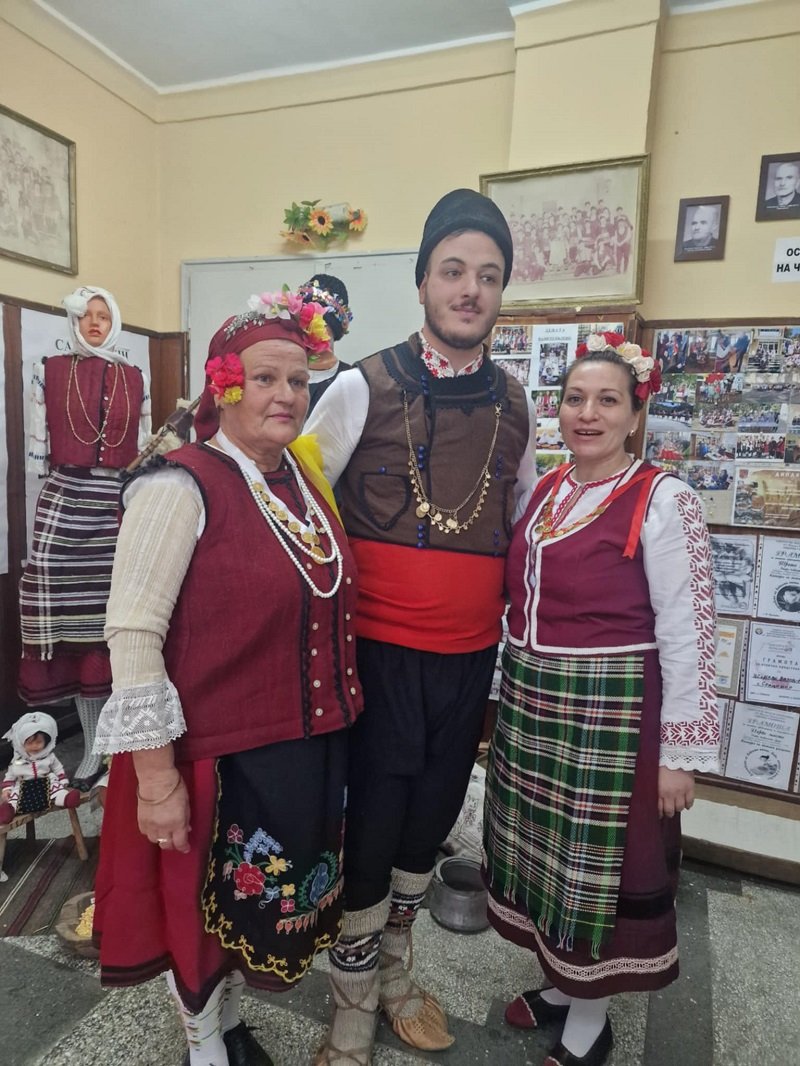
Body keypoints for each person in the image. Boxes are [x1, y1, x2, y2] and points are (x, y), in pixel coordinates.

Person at [90, 290, 363, 1066]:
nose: (287, 395)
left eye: (299, 380)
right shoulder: (178, 485)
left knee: (251, 915)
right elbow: (133, 634)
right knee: (198, 917)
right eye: (265, 378)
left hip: (299, 749)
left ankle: (229, 1019)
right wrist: (155, 782)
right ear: (225, 386)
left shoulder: (299, 481)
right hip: (212, 755)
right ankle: (204, 1043)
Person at [306, 188, 537, 1064]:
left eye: (488, 275)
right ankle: (352, 1002)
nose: (470, 289)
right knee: (369, 830)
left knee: (427, 827)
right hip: (375, 661)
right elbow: (296, 505)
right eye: (453, 270)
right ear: (423, 283)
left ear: (501, 291)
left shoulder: (516, 404)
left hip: (467, 664)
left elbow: (525, 524)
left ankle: (397, 972)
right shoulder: (360, 385)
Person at [483, 332, 720, 1066]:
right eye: (575, 399)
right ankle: (561, 986)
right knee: (548, 859)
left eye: (607, 400)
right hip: (535, 704)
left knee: (596, 870)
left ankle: (590, 1018)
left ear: (635, 414)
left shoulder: (663, 499)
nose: (588, 414)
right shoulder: (548, 489)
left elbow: (689, 632)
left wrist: (679, 755)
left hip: (612, 712)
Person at [18, 285, 150, 792]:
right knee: (75, 635)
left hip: (115, 502)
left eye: (103, 316)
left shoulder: (136, 377)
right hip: (63, 501)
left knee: (109, 626)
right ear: (73, 322)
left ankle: (118, 749)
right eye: (86, 316)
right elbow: (37, 445)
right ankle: (93, 747)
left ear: (114, 322)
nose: (94, 323)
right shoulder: (48, 370)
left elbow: (142, 449)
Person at [0, 711, 81, 823]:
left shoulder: (49, 757)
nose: (34, 746)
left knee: (57, 790)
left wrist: (63, 780)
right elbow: (10, 774)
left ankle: (66, 799)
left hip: (46, 781)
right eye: (29, 743)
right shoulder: (18, 760)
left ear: (46, 742)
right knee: (16, 798)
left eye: (39, 742)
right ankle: (9, 811)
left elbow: (57, 768)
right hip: (25, 785)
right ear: (22, 744)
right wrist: (7, 789)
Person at [299, 274, 354, 416]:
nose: (311, 333)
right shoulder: (285, 375)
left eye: (320, 325)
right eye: (306, 324)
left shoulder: (351, 379)